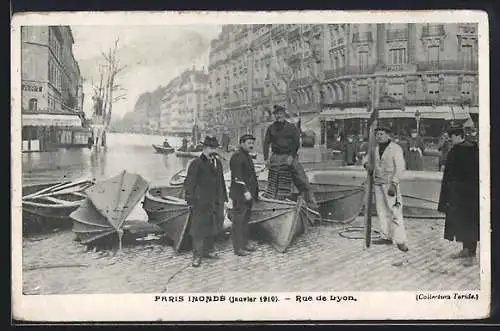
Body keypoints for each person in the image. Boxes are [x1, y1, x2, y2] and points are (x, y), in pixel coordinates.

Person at [438, 126, 479, 267]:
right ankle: (465, 249)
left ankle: (472, 254)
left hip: (467, 194)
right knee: (462, 222)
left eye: (452, 137)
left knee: (469, 222)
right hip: (459, 194)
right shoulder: (466, 149)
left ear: (458, 136)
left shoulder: (467, 150)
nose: (450, 140)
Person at [184, 136, 228, 268]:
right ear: (204, 148)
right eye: (211, 148)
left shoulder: (218, 163)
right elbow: (189, 184)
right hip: (201, 202)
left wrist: (223, 198)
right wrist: (191, 200)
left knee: (212, 226)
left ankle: (209, 251)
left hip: (215, 201)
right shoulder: (196, 163)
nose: (213, 151)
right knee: (198, 229)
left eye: (215, 148)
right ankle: (197, 256)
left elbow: (221, 181)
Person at [262, 105, 318, 209]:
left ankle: (311, 204)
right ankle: (274, 203)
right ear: (274, 115)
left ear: (284, 114)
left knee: (301, 179)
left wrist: (291, 156)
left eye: (280, 113)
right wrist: (266, 158)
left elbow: (296, 143)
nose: (278, 116)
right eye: (276, 114)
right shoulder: (271, 128)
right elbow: (266, 143)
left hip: (289, 156)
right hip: (276, 156)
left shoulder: (292, 128)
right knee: (273, 180)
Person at [363, 126, 409, 252]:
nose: (378, 137)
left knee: (395, 212)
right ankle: (386, 236)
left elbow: (400, 167)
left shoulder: (395, 148)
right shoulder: (374, 149)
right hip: (378, 183)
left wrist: (394, 184)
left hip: (390, 184)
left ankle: (400, 241)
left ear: (388, 135)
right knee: (382, 211)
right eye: (377, 134)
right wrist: (367, 164)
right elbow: (366, 159)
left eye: (381, 134)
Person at [229, 134, 259, 256]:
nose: (251, 145)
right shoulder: (237, 157)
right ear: (241, 143)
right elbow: (237, 177)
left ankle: (244, 244)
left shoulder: (246, 156)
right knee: (239, 221)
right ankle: (238, 248)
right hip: (240, 194)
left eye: (252, 143)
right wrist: (246, 191)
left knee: (245, 220)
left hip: (248, 194)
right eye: (248, 143)